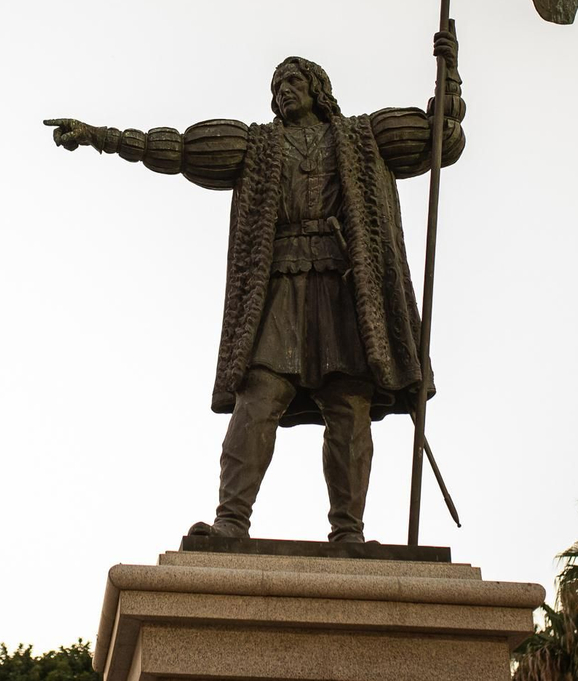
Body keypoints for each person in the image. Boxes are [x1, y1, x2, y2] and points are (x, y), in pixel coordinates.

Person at [45, 30, 463, 542]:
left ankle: (348, 531)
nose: (283, 89)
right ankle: (231, 521)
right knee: (258, 398)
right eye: (277, 84)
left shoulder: (363, 136)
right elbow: (176, 149)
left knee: (349, 406)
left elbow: (440, 138)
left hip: (344, 288)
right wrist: (100, 136)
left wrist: (450, 81)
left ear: (318, 88)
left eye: (293, 80)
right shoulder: (256, 144)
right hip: (280, 287)